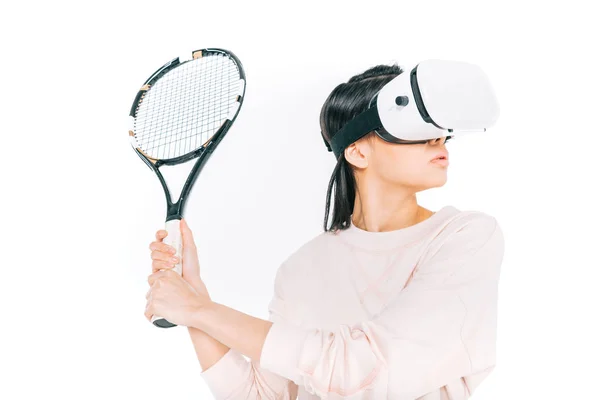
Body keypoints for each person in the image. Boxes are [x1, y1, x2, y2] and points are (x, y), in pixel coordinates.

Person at [145, 63, 505, 399]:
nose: (437, 138)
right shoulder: (301, 268)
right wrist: (194, 302)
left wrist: (199, 311)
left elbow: (366, 369)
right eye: (411, 126)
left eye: (439, 129)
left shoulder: (464, 238)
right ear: (357, 152)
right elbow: (262, 394)